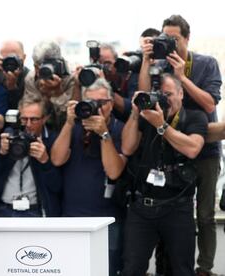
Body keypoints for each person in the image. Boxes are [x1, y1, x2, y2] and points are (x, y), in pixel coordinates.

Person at [138, 14, 222, 276]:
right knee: (171, 208)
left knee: (206, 214)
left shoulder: (207, 64)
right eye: (165, 38)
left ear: (187, 38)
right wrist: (146, 60)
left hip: (204, 148)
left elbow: (209, 104)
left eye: (174, 38)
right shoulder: (159, 62)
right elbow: (142, 96)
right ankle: (167, 265)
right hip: (171, 146)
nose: (170, 43)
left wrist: (180, 77)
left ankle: (204, 268)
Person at [122, 73, 208, 276]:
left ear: (181, 93)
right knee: (132, 269)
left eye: (168, 94)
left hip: (178, 208)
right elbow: (126, 147)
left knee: (182, 270)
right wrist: (135, 114)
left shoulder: (194, 117)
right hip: (142, 207)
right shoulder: (146, 116)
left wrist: (162, 126)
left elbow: (193, 149)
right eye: (159, 95)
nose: (163, 100)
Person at [50, 78, 126, 276]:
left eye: (100, 103)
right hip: (71, 217)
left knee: (106, 270)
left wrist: (104, 134)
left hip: (108, 221)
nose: (95, 108)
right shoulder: (74, 127)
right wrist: (68, 122)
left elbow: (114, 171)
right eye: (90, 102)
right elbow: (56, 159)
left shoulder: (119, 129)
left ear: (110, 103)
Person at [0, 93, 62, 217]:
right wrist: (1, 154)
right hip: (4, 209)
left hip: (36, 211)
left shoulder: (52, 141)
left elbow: (57, 187)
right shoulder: (9, 136)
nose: (28, 124)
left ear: (44, 118)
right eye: (23, 119)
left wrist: (45, 161)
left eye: (33, 119)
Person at [25, 39, 76, 132]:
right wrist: (45, 96)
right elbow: (32, 116)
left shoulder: (73, 76)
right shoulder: (31, 78)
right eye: (35, 66)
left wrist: (58, 93)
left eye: (40, 67)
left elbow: (71, 118)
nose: (37, 71)